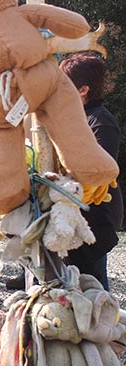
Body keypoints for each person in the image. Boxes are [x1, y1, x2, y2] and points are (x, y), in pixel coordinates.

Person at [60, 53, 123, 291]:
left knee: (92, 286)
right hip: (77, 213)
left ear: (83, 89)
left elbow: (98, 173)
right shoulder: (76, 118)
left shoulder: (100, 122)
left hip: (95, 217)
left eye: (64, 84)